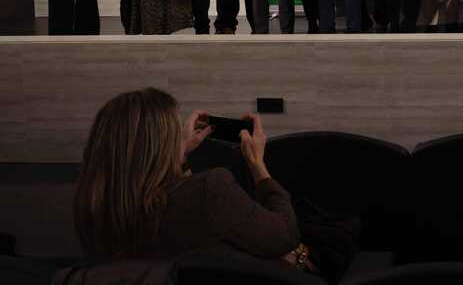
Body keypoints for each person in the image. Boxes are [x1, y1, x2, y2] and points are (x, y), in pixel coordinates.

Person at [73, 88, 300, 263]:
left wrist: (178, 153)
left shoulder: (91, 203)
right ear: (161, 145)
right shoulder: (209, 190)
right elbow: (285, 236)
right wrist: (257, 164)